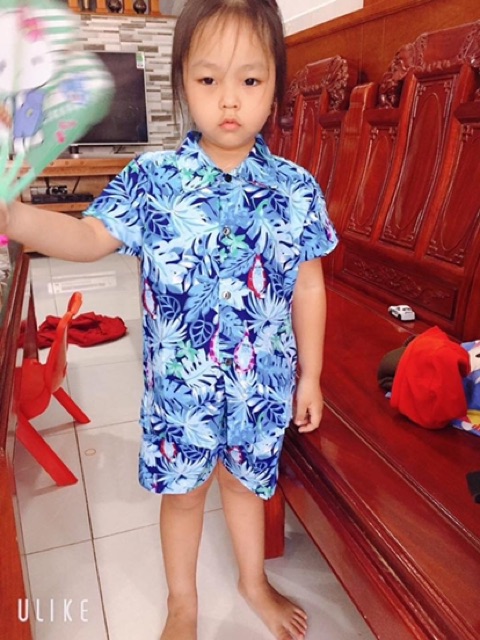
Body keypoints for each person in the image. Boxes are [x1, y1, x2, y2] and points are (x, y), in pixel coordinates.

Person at [0, 1, 338, 638]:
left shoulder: (296, 189)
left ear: (276, 84)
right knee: (183, 497)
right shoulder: (152, 180)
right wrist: (15, 218)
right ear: (183, 81)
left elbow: (310, 285)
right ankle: (182, 604)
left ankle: (252, 582)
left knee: (244, 488)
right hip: (181, 392)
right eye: (209, 79)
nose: (229, 99)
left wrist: (311, 376)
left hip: (261, 387)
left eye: (250, 79)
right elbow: (89, 238)